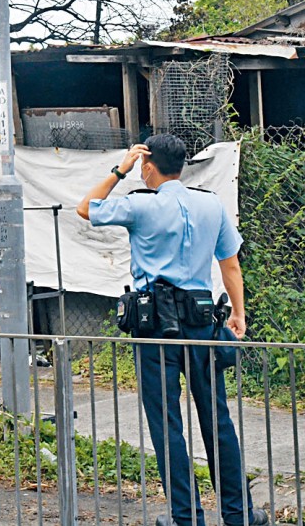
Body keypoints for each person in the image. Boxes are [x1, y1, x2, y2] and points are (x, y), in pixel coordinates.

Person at [77, 135, 267, 526]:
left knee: (167, 424)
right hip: (202, 322)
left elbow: (86, 208)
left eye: (141, 167)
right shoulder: (211, 203)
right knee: (217, 419)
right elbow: (230, 265)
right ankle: (239, 515)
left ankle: (187, 518)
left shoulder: (139, 205)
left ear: (148, 166)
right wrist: (238, 313)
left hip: (155, 328)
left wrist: (120, 170)